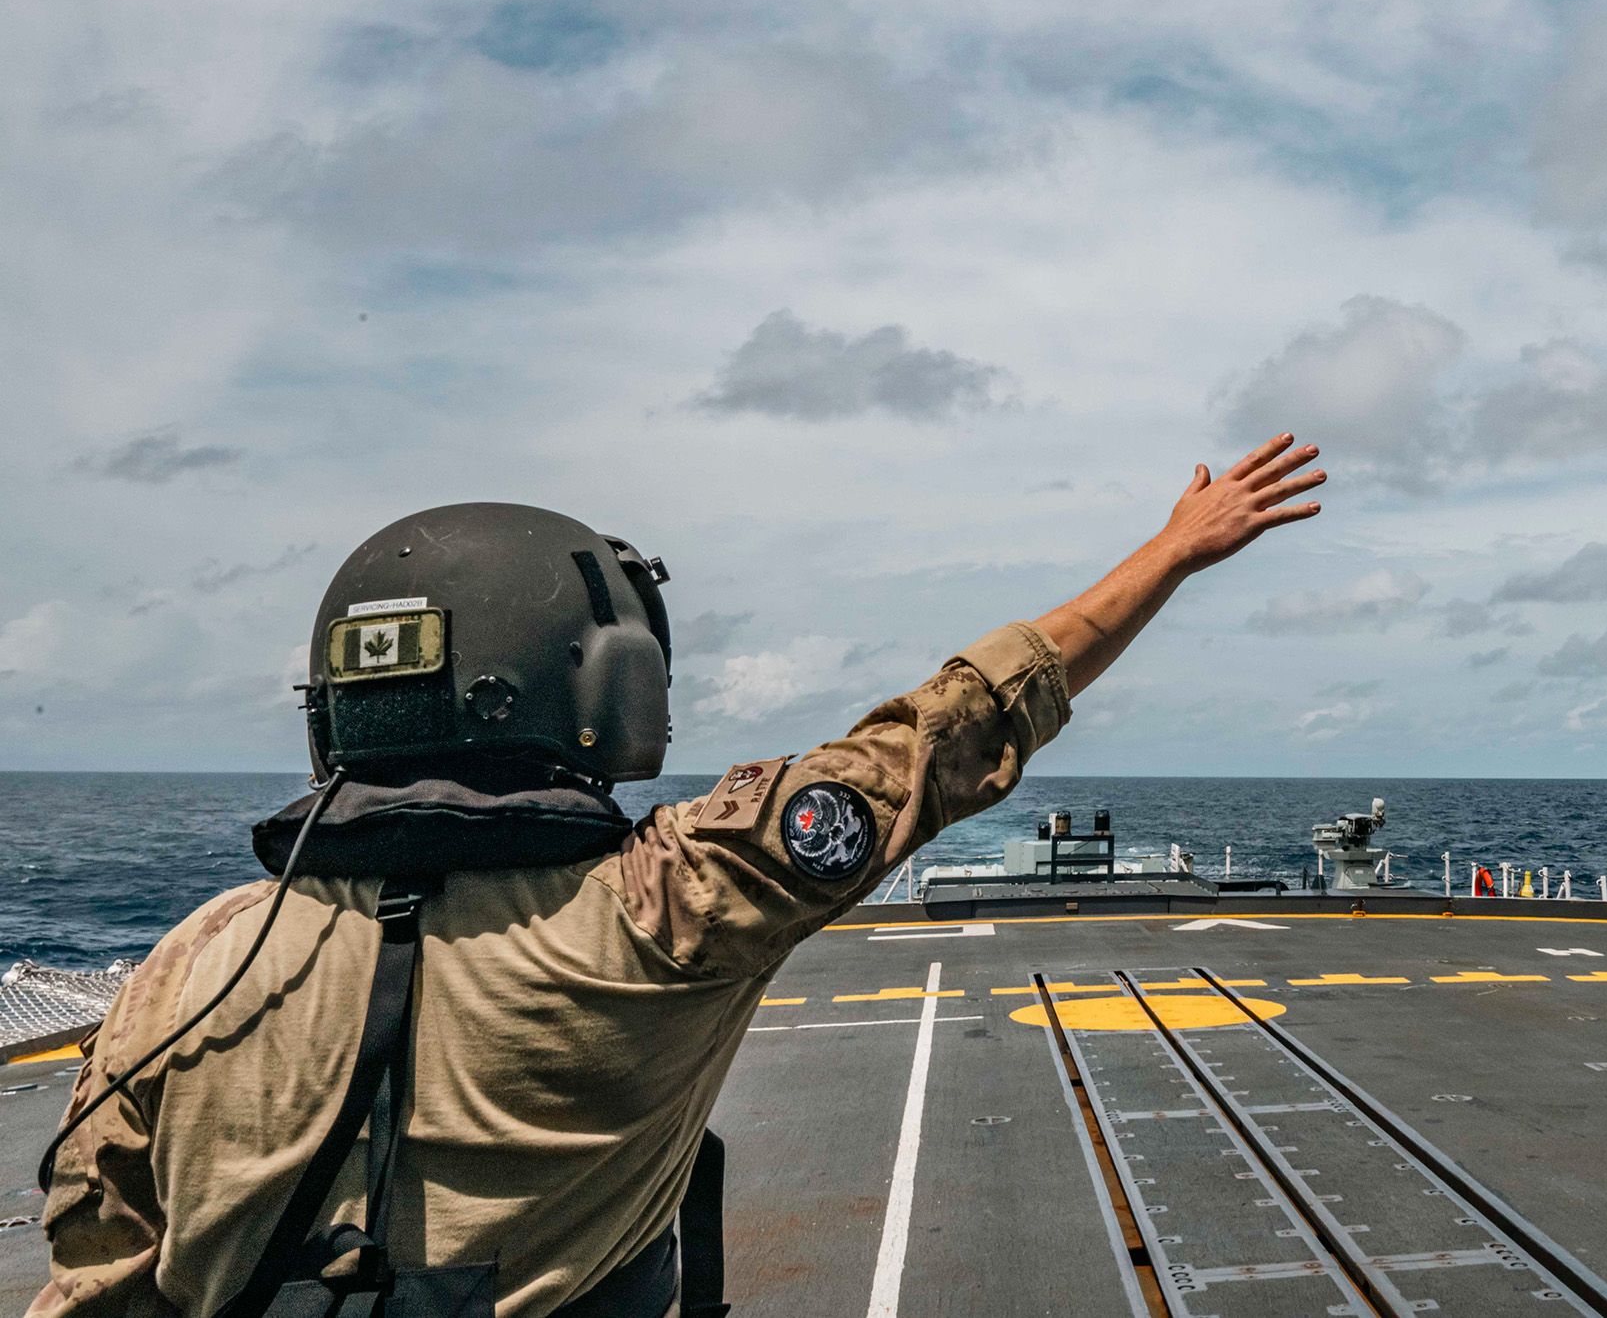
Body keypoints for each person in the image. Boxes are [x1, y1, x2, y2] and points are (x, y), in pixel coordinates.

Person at [30, 433, 1326, 1318]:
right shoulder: (664, 911)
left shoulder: (186, 968)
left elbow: (98, 1271)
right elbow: (948, 728)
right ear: (602, 691)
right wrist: (1174, 551)